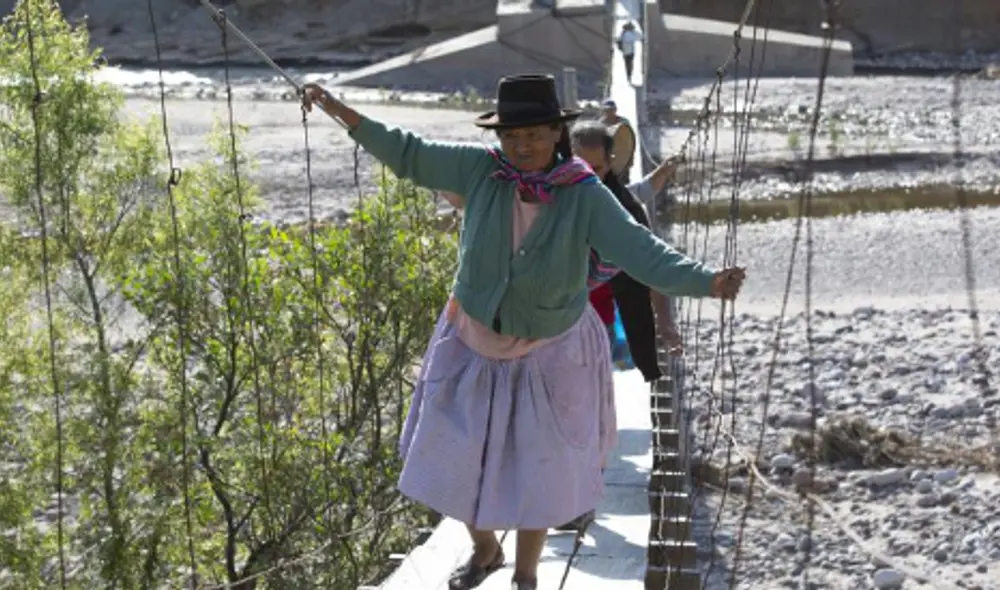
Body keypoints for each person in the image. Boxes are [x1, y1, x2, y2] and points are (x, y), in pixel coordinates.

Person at [301, 74, 746, 590]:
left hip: (550, 348)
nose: (522, 146)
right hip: (470, 340)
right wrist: (339, 109)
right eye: (512, 136)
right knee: (455, 456)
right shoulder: (480, 171)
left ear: (558, 133)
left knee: (543, 465)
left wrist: (706, 282)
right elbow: (409, 153)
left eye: (533, 134)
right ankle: (486, 549)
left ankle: (528, 576)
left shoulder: (585, 195)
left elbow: (640, 250)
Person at [553, 121, 685, 532]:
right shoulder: (544, 194)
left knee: (583, 415)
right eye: (579, 166)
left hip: (595, 328)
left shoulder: (624, 207)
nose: (588, 177)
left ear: (611, 164)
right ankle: (552, 496)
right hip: (543, 325)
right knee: (551, 415)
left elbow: (653, 264)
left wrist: (662, 321)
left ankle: (578, 499)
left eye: (596, 169)